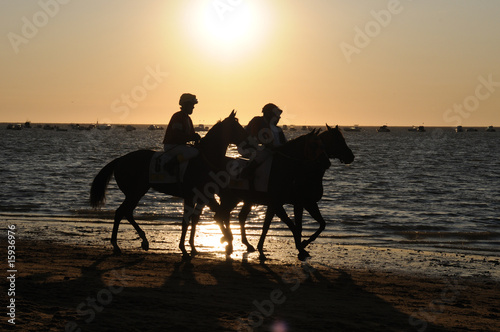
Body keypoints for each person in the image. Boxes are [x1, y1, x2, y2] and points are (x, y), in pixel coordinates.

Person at [239, 103, 287, 179]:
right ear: (269, 115)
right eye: (276, 116)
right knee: (264, 153)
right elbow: (255, 137)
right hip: (251, 149)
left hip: (271, 150)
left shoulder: (278, 129)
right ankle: (246, 172)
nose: (279, 118)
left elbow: (285, 144)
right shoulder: (257, 121)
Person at [162, 93, 201, 173]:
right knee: (194, 152)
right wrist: (192, 137)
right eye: (191, 105)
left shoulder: (188, 119)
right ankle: (171, 164)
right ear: (186, 105)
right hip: (171, 146)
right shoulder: (178, 116)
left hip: (180, 146)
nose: (193, 107)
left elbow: (191, 135)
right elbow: (177, 135)